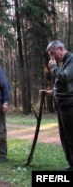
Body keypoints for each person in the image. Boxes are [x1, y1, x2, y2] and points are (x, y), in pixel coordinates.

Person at [41, 40, 73, 171]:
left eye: (53, 54)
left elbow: (65, 77)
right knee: (64, 136)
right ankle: (71, 164)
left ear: (61, 48)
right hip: (61, 104)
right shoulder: (63, 63)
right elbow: (62, 85)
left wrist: (53, 67)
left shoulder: (71, 60)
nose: (52, 58)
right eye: (50, 55)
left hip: (69, 105)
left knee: (71, 135)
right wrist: (49, 92)